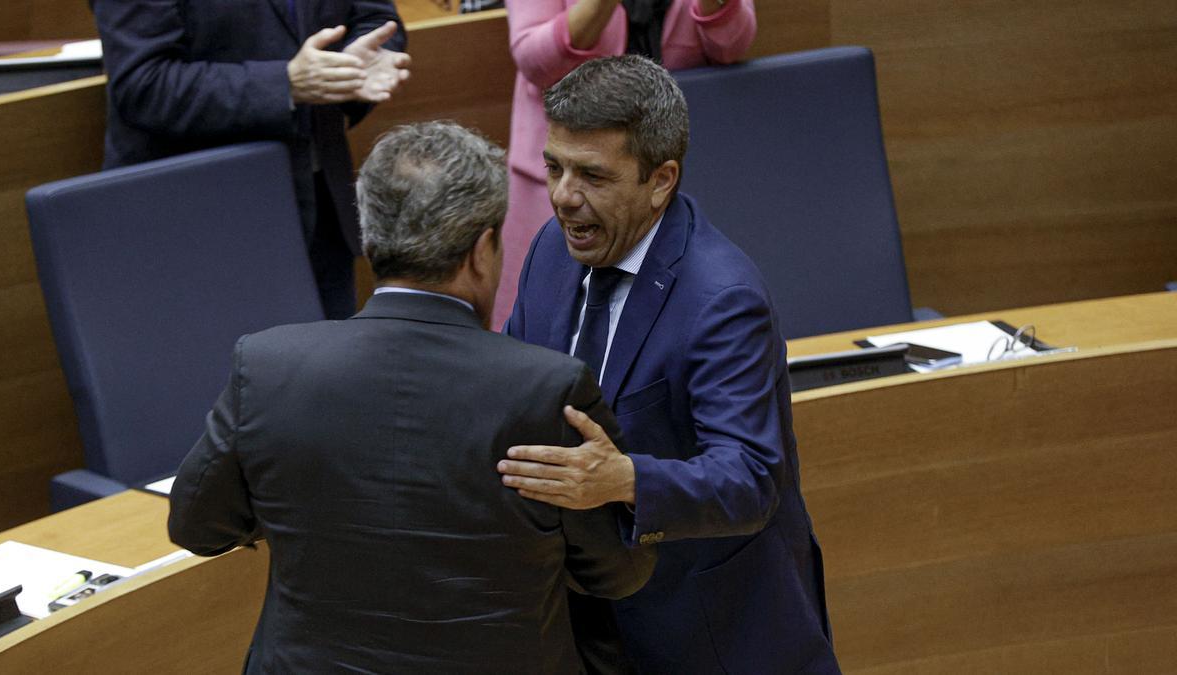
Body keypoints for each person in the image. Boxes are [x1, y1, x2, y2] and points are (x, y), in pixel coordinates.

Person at [168, 121, 656, 673]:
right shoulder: (549, 391)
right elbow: (619, 573)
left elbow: (197, 528)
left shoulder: (266, 367)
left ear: (371, 237)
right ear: (482, 251)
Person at [499, 56, 841, 673]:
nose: (562, 197)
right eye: (554, 167)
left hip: (707, 629)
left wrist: (624, 479)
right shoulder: (552, 249)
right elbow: (513, 384)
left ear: (660, 180)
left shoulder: (721, 297)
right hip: (583, 627)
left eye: (593, 176)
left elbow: (750, 476)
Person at [91, 0, 411, 319]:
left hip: (320, 205)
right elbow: (143, 83)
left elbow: (376, 18)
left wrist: (355, 66)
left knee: (332, 364)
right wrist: (283, 85)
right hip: (196, 221)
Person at [492, 0, 757, 328]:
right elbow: (536, 59)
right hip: (570, 166)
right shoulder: (560, 202)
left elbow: (731, 44)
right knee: (546, 325)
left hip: (671, 163)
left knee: (670, 329)